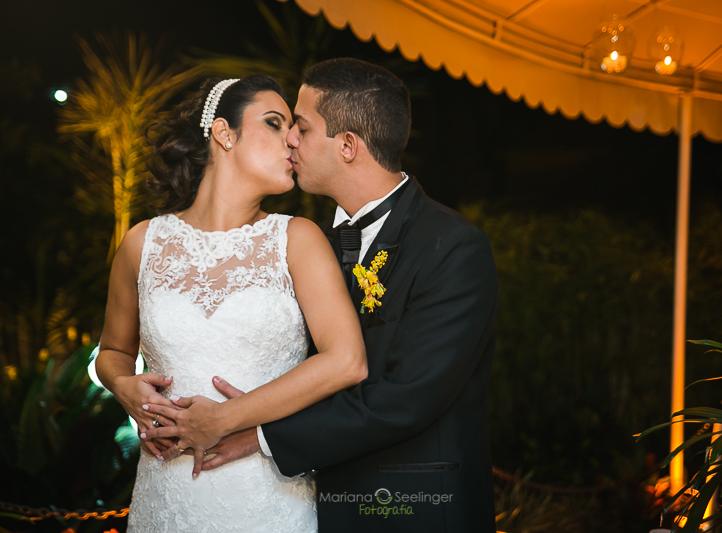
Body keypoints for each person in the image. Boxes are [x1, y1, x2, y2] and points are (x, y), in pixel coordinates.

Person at [142, 58, 499, 533]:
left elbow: (405, 398)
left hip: (413, 511)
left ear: (348, 145)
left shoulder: (451, 246)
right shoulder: (304, 246)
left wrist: (258, 435)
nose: (290, 139)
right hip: (308, 508)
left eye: (302, 128)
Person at [94, 74, 368, 533]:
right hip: (165, 494)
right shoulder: (142, 243)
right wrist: (123, 387)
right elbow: (113, 354)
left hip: (266, 499)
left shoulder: (297, 238)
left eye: (296, 129)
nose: (293, 140)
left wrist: (222, 419)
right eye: (275, 123)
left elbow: (347, 361)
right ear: (224, 133)